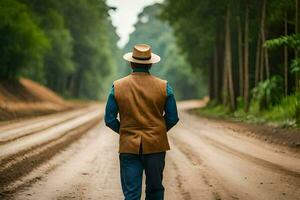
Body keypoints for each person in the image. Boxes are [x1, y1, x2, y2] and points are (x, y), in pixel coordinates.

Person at [104, 44, 179, 200]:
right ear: (151, 64)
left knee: (131, 193)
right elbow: (172, 118)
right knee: (155, 190)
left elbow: (109, 119)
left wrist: (125, 131)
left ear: (131, 63)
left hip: (128, 147)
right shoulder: (164, 86)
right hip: (156, 146)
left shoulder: (117, 86)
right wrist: (157, 131)